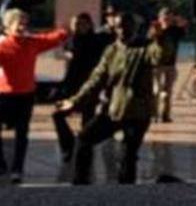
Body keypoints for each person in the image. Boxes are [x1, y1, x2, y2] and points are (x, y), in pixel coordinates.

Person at [56, 12, 162, 185]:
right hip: (113, 109)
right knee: (83, 139)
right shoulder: (112, 50)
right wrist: (74, 101)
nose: (122, 30)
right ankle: (79, 185)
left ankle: (125, 193)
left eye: (126, 26)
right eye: (118, 27)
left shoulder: (145, 47)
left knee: (127, 154)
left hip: (138, 111)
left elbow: (159, 56)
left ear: (134, 28)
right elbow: (95, 79)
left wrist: (160, 37)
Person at [0, 9, 68, 182]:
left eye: (24, 22)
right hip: (4, 95)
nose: (23, 26)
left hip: (26, 96)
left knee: (22, 134)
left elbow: (53, 38)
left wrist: (65, 30)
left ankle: (17, 169)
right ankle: (1, 165)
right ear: (7, 28)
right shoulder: (3, 47)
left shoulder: (32, 43)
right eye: (19, 23)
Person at [53, 13, 114, 162]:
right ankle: (68, 146)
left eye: (82, 24)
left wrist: (111, 24)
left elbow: (113, 39)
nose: (79, 27)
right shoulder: (72, 40)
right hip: (72, 85)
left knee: (87, 121)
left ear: (89, 25)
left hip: (90, 86)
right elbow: (70, 63)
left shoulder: (98, 39)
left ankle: (83, 152)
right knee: (58, 115)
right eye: (76, 24)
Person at [148, 8, 188, 123]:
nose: (166, 20)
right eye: (164, 17)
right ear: (160, 18)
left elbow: (184, 27)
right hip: (156, 65)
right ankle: (153, 114)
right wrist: (156, 30)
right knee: (156, 90)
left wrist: (179, 21)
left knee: (168, 92)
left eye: (168, 17)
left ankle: (166, 115)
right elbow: (150, 40)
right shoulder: (155, 28)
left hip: (170, 64)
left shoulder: (175, 30)